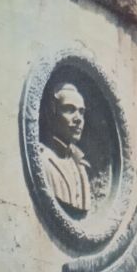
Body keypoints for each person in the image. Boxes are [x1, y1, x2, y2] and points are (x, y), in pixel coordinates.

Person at [39, 82, 91, 213]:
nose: (78, 119)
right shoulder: (41, 158)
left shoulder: (81, 166)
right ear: (51, 114)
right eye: (69, 109)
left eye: (81, 112)